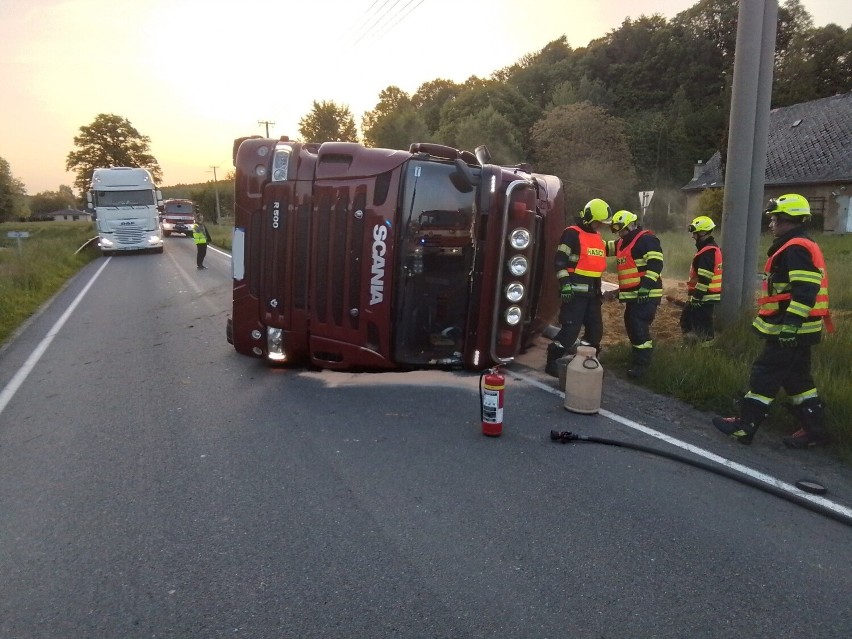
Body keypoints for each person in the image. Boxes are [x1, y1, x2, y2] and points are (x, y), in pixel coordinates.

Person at [712, 194, 832, 448]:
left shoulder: (795, 248)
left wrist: (790, 326)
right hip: (802, 329)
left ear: (787, 219)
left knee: (764, 375)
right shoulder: (799, 244)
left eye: (775, 218)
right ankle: (816, 432)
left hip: (789, 329)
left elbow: (805, 290)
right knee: (799, 381)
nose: (772, 224)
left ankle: (745, 427)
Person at [545, 198, 611, 377]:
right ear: (589, 218)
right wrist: (565, 285)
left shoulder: (597, 238)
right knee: (570, 332)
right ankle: (552, 362)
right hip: (574, 295)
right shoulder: (572, 234)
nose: (600, 226)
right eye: (598, 222)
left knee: (595, 332)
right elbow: (560, 262)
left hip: (593, 295)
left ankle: (585, 362)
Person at [608, 210, 664, 378]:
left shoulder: (646, 240)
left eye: (622, 230)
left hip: (647, 295)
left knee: (638, 327)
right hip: (634, 296)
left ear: (631, 226)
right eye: (618, 231)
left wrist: (646, 287)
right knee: (632, 326)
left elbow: (656, 264)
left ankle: (642, 366)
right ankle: (637, 360)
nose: (620, 233)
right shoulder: (621, 243)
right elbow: (602, 247)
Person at [680, 215, 723, 344]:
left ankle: (704, 350)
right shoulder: (708, 249)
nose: (693, 236)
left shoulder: (707, 251)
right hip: (704, 296)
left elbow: (705, 278)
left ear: (703, 232)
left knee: (702, 327)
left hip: (704, 297)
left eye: (695, 233)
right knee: (688, 320)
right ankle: (692, 345)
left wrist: (697, 297)